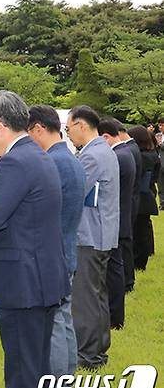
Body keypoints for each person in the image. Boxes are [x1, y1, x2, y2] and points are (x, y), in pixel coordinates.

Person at [0, 92, 67, 388]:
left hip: (23, 286)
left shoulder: (14, 162)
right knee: (39, 373)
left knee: (23, 381)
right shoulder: (37, 154)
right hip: (41, 279)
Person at [27, 105, 85, 388]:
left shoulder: (53, 162)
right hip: (67, 252)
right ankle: (65, 384)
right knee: (63, 322)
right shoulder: (70, 159)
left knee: (54, 328)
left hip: (54, 257)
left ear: (38, 128)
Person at [65, 106, 119, 370]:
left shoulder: (93, 156)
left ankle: (87, 354)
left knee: (86, 298)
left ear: (80, 125)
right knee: (96, 296)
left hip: (90, 236)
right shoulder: (100, 151)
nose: (68, 134)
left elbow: (75, 192)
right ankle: (96, 351)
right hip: (99, 234)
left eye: (68, 128)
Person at [97, 119, 136, 330]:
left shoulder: (118, 156)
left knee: (113, 269)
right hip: (120, 216)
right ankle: (114, 315)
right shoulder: (125, 153)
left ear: (106, 137)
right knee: (115, 267)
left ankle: (114, 316)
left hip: (114, 219)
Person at [128, 125, 160, 271]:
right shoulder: (152, 154)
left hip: (141, 195)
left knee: (140, 231)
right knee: (144, 228)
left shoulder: (142, 156)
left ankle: (139, 262)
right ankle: (142, 258)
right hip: (147, 193)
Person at [115, 120, 142, 291]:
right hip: (131, 199)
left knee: (124, 244)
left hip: (127, 201)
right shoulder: (130, 149)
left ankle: (128, 281)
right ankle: (128, 279)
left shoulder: (126, 152)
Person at [158, 118, 164, 210]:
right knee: (161, 185)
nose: (160, 127)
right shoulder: (159, 135)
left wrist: (160, 144)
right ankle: (162, 203)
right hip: (160, 163)